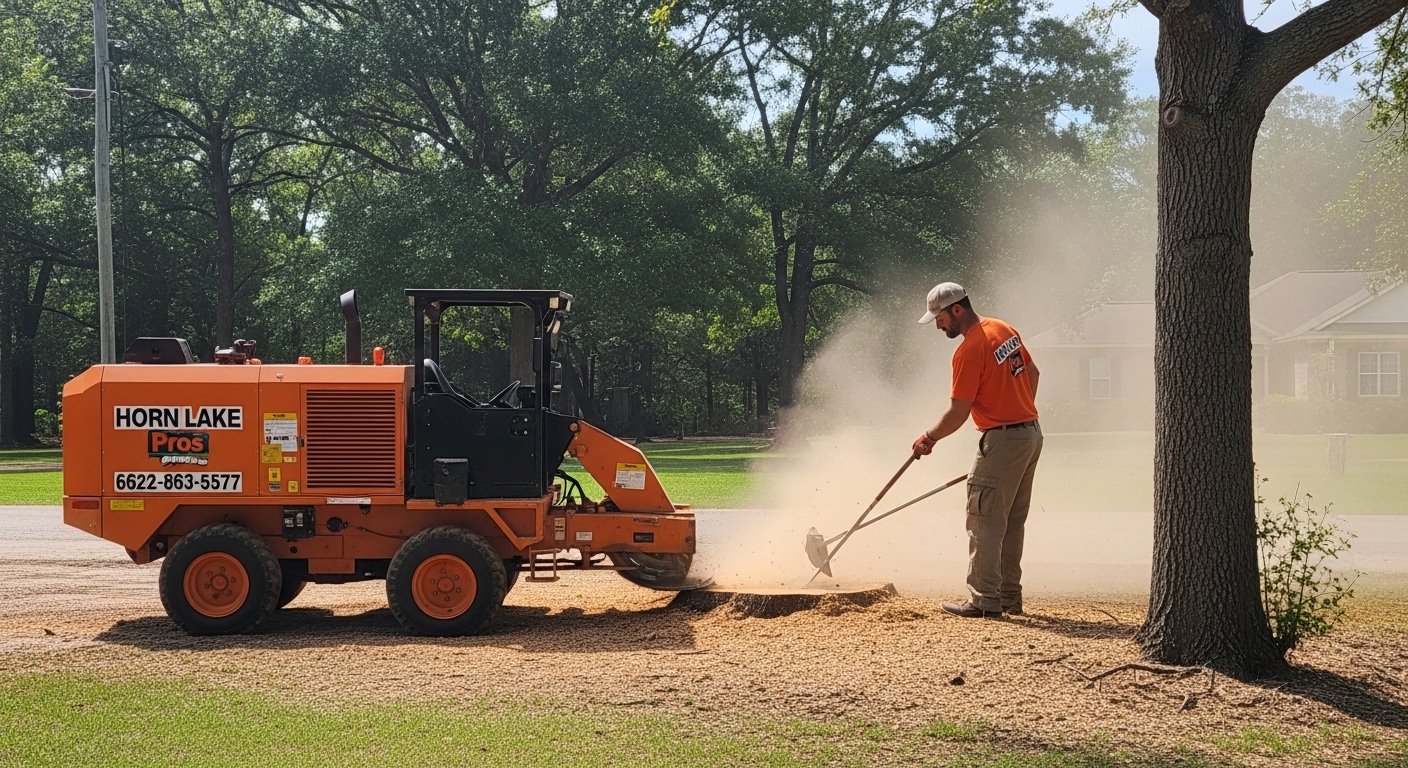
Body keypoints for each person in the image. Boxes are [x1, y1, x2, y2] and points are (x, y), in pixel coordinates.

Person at [911, 282, 1042, 618]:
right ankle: (1009, 597)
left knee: (984, 520)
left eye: (938, 318)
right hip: (1029, 435)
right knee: (1011, 521)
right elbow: (1033, 373)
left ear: (956, 309)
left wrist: (929, 437)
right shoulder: (1003, 328)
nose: (937, 325)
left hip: (1002, 440)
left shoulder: (969, 349)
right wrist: (1017, 409)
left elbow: (958, 412)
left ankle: (985, 600)